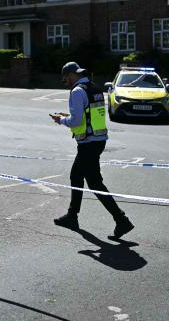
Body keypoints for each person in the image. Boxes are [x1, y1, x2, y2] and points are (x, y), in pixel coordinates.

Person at [51, 61, 134, 239]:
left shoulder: (77, 91)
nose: (65, 82)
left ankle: (121, 220)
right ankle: (74, 216)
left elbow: (76, 122)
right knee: (83, 178)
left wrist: (61, 120)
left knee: (92, 182)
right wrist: (71, 117)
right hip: (98, 139)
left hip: (88, 142)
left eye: (65, 79)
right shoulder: (94, 88)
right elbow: (88, 115)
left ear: (71, 75)